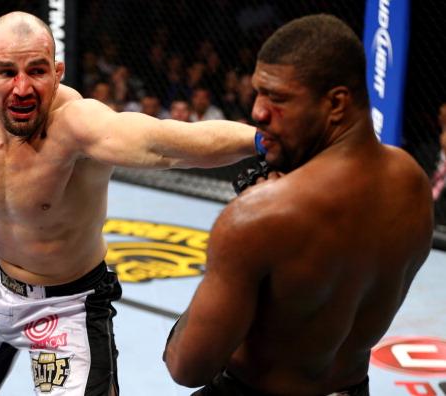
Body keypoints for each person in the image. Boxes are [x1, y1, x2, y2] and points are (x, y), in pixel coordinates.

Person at [0, 11, 260, 396]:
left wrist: (262, 140)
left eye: (37, 71)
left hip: (68, 301)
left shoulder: (79, 125)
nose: (22, 88)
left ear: (57, 73)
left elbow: (166, 144)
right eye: (7, 72)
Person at [163, 14, 434, 396]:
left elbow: (186, 366)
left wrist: (242, 231)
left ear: (336, 103)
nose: (257, 111)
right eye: (257, 92)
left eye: (277, 97)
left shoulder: (258, 219)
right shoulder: (412, 183)